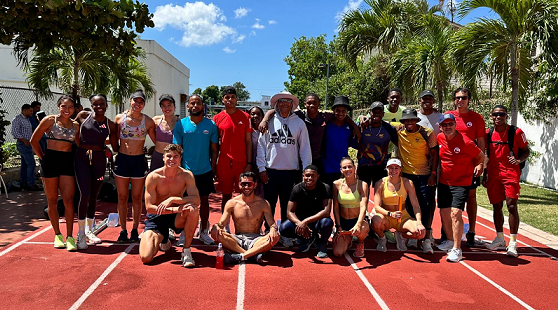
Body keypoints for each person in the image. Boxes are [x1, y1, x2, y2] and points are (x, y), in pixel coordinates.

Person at [256, 91, 312, 248]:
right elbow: (261, 147)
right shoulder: (269, 122)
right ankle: (269, 232)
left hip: (291, 172)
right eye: (281, 102)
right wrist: (261, 168)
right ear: (277, 104)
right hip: (271, 171)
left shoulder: (299, 123)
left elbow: (305, 149)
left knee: (288, 206)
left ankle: (286, 234)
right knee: (269, 204)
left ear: (292, 104)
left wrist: (306, 170)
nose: (285, 104)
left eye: (288, 102)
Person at [259, 93, 360, 175]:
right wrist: (265, 119)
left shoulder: (325, 116)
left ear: (319, 104)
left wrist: (355, 126)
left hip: (318, 159)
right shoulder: (299, 115)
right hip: (300, 160)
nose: (312, 105)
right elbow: (275, 110)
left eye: (314, 103)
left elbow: (341, 115)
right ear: (305, 104)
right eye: (309, 103)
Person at [30, 95, 80, 251]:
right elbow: (33, 140)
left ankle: (70, 236)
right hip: (50, 161)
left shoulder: (76, 125)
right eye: (64, 106)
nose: (67, 110)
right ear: (58, 106)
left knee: (69, 200)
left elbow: (79, 145)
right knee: (52, 200)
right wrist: (43, 157)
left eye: (70, 107)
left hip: (67, 163)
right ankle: (57, 235)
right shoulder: (49, 121)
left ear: (74, 109)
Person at [139, 144, 201, 267]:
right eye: (169, 156)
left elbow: (196, 200)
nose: (172, 160)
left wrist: (174, 199)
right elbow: (150, 207)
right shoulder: (153, 177)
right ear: (163, 158)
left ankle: (186, 251)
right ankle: (164, 238)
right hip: (157, 217)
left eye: (175, 157)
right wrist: (176, 208)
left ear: (180, 158)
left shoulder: (187, 175)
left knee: (193, 209)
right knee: (146, 258)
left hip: (176, 218)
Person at [436, 113, 484, 262]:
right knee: (444, 212)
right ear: (440, 127)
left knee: (455, 213)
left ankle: (457, 249)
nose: (448, 127)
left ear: (455, 125)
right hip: (444, 182)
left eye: (450, 124)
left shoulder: (466, 142)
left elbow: (480, 156)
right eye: (445, 125)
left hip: (461, 183)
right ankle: (450, 240)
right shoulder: (439, 138)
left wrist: (479, 165)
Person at [483, 105, 529, 257]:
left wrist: (517, 160)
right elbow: (487, 154)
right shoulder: (488, 133)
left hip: (510, 174)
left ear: (506, 116)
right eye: (495, 114)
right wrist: (485, 173)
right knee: (496, 206)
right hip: (493, 175)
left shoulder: (516, 132)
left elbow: (526, 150)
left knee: (511, 206)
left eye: (501, 114)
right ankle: (499, 238)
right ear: (491, 116)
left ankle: (513, 242)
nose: (498, 117)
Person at [73, 94, 119, 249]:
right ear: (91, 105)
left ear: (106, 105)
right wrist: (84, 148)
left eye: (102, 104)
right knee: (84, 194)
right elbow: (74, 134)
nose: (99, 106)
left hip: (99, 160)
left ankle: (89, 230)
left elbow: (115, 145)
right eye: (95, 104)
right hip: (82, 159)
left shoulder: (110, 125)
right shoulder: (82, 116)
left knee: (94, 195)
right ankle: (80, 234)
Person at [173, 94, 218, 245]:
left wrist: (213, 168)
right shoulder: (180, 125)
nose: (195, 106)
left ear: (202, 105)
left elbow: (214, 149)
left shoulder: (211, 125)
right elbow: (177, 149)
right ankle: (185, 233)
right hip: (186, 172)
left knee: (204, 201)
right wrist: (178, 170)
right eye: (192, 103)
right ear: (188, 106)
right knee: (185, 203)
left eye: (197, 103)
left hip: (204, 170)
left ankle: (203, 231)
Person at [113, 89, 156, 243]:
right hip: (122, 160)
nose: (138, 104)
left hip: (139, 161)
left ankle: (134, 230)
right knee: (122, 197)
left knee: (137, 197)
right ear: (130, 101)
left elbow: (158, 141)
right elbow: (112, 138)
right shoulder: (119, 118)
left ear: (144, 104)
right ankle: (123, 230)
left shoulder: (148, 121)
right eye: (135, 101)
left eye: (141, 102)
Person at [210, 172, 279, 265]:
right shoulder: (232, 203)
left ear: (255, 185)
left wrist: (273, 229)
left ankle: (240, 256)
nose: (246, 187)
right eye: (243, 184)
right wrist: (216, 227)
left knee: (275, 237)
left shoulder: (263, 203)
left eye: (249, 184)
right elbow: (221, 224)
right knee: (217, 234)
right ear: (239, 185)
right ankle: (252, 255)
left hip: (256, 240)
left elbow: (272, 224)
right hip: (237, 239)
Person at [446, 87, 486, 247]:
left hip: (469, 165)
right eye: (457, 98)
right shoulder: (448, 115)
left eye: (463, 97)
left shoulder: (476, 118)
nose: (460, 100)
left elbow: (481, 141)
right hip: (450, 165)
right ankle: (448, 234)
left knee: (471, 198)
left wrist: (481, 162)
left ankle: (471, 231)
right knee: (450, 200)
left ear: (469, 99)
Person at [394, 108, 438, 254]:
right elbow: (382, 121)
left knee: (424, 205)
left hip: (424, 174)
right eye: (406, 120)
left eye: (412, 120)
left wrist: (433, 173)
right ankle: (413, 235)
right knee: (408, 206)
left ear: (416, 120)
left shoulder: (427, 133)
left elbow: (434, 153)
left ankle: (426, 239)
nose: (409, 123)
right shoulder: (399, 130)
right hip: (406, 174)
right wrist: (363, 117)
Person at [371, 158, 426, 252]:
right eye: (391, 168)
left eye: (396, 168)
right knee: (375, 221)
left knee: (421, 233)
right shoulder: (380, 183)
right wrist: (390, 214)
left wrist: (419, 222)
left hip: (402, 217)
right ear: (386, 168)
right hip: (387, 216)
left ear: (400, 169)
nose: (394, 170)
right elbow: (376, 207)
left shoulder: (408, 183)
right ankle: (382, 238)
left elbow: (416, 206)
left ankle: (400, 235)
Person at [279, 165, 333, 258]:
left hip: (318, 220)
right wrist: (299, 223)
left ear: (318, 176)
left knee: (327, 222)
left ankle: (322, 243)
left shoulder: (325, 187)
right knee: (283, 229)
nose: (309, 178)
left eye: (313, 176)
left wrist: (306, 222)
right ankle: (307, 238)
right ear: (303, 176)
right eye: (307, 175)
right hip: (301, 219)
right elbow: (289, 212)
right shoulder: (297, 188)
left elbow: (326, 211)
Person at [213, 86, 253, 213]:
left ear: (237, 99)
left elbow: (249, 142)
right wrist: (214, 165)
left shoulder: (246, 117)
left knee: (245, 194)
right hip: (224, 162)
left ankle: (245, 225)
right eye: (227, 97)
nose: (230, 99)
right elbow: (214, 145)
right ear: (223, 100)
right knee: (226, 195)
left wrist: (249, 163)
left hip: (241, 162)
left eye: (232, 97)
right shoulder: (217, 118)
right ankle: (225, 225)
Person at [354, 101, 397, 202]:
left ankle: (379, 215)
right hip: (364, 166)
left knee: (380, 194)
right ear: (370, 112)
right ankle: (364, 215)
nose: (376, 114)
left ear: (383, 114)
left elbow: (398, 143)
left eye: (379, 112)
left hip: (381, 166)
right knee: (362, 194)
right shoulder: (361, 126)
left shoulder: (389, 128)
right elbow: (350, 129)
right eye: (374, 112)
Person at [417, 90, 442, 243]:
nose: (427, 101)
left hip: (435, 163)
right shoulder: (414, 117)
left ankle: (429, 229)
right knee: (413, 197)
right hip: (415, 163)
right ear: (419, 100)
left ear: (433, 101)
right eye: (424, 98)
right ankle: (414, 229)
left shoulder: (440, 117)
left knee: (430, 198)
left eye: (430, 99)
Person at [331, 157, 369, 258]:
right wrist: (338, 226)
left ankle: (360, 243)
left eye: (350, 166)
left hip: (358, 221)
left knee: (362, 229)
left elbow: (363, 207)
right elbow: (335, 208)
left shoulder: (362, 184)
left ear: (355, 168)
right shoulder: (336, 184)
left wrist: (358, 224)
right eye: (344, 167)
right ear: (341, 170)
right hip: (343, 223)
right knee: (338, 252)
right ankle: (348, 239)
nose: (347, 169)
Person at [322, 96, 356, 187]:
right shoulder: (326, 125)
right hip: (327, 167)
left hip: (343, 169)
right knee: (328, 197)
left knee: (342, 198)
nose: (340, 113)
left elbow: (355, 143)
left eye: (343, 111)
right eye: (338, 110)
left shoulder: (350, 127)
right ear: (333, 110)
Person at [11, 104, 41, 191]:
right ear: (24, 110)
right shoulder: (17, 119)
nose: (32, 113)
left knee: (25, 164)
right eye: (30, 111)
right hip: (23, 144)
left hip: (28, 144)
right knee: (31, 164)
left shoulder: (27, 119)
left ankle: (24, 183)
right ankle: (31, 184)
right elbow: (15, 132)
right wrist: (24, 140)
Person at [150, 94, 179, 171]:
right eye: (163, 106)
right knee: (154, 181)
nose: (167, 108)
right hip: (157, 157)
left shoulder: (180, 122)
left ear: (174, 107)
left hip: (172, 158)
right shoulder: (155, 120)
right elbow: (142, 128)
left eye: (169, 105)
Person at [249, 106, 265, 198]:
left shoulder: (266, 130)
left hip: (263, 166)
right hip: (250, 165)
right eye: (253, 114)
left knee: (262, 192)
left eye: (258, 114)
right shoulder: (247, 131)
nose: (255, 116)